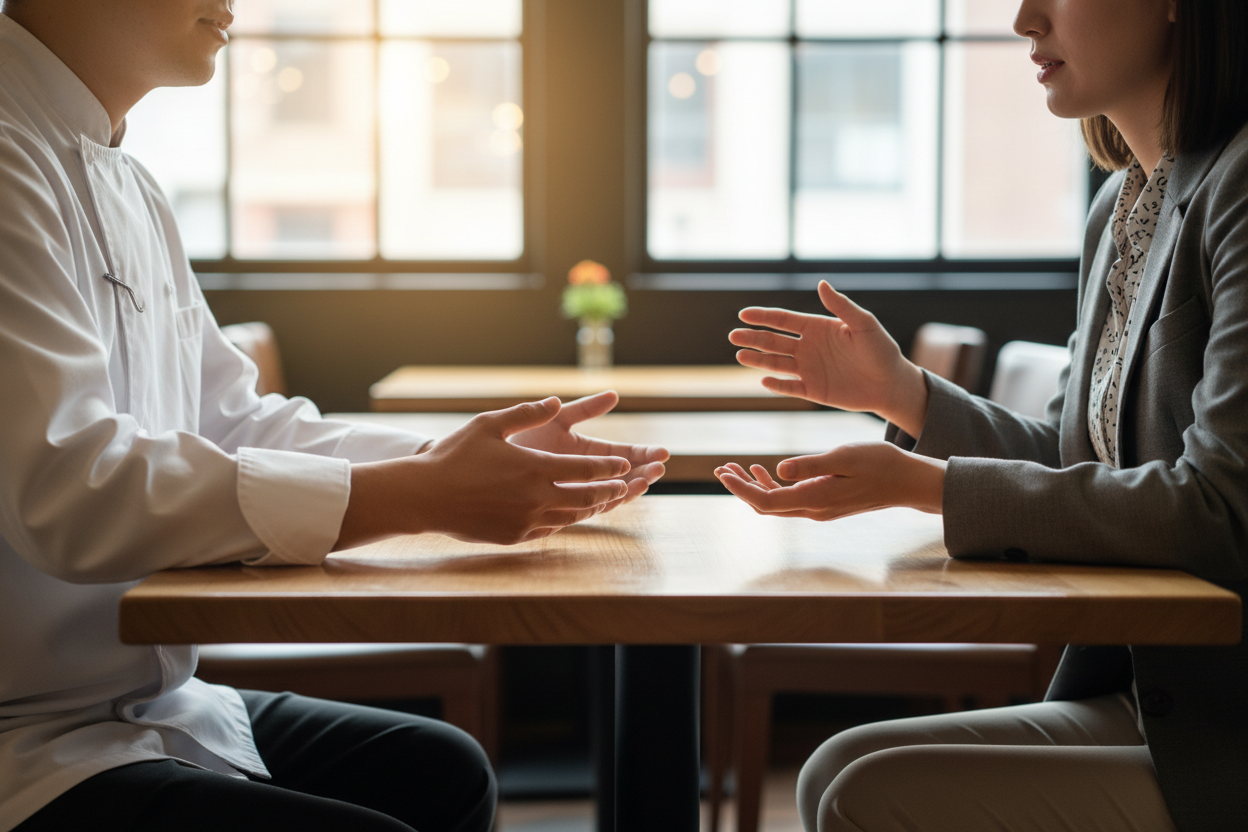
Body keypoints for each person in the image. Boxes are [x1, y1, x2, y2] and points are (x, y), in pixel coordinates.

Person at [0, 1, 668, 830]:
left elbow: (235, 423)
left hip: (144, 705)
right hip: (23, 739)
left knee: (442, 772)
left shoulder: (127, 180)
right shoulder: (6, 157)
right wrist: (421, 495)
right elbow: (70, 487)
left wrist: (451, 459)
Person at [717, 0, 1248, 829]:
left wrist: (928, 486)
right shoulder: (1122, 206)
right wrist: (902, 393)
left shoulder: (1240, 187)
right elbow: (1080, 461)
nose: (1023, 19)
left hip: (1224, 721)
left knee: (864, 793)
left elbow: (1218, 510)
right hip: (1156, 695)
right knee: (834, 767)